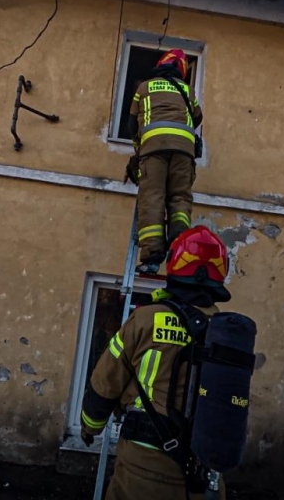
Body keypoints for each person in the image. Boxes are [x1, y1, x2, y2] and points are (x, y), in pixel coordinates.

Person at [80, 225, 230, 500]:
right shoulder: (226, 333)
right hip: (202, 477)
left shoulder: (146, 319)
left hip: (141, 470)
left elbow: (105, 382)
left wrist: (90, 427)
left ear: (175, 265)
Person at [126, 49, 203, 274]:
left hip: (154, 149)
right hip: (184, 152)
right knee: (180, 197)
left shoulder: (145, 87)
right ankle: (178, 246)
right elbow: (198, 117)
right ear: (181, 69)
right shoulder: (187, 90)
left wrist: (138, 146)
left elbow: (132, 122)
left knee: (153, 197)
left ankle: (152, 256)